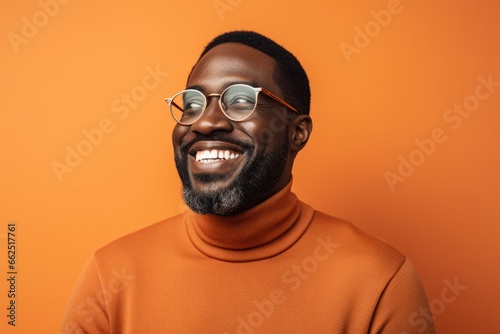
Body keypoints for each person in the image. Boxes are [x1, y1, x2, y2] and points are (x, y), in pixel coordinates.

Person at [60, 30, 435, 334]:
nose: (205, 123)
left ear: (298, 133)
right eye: (192, 104)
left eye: (240, 102)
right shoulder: (110, 277)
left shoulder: (380, 281)